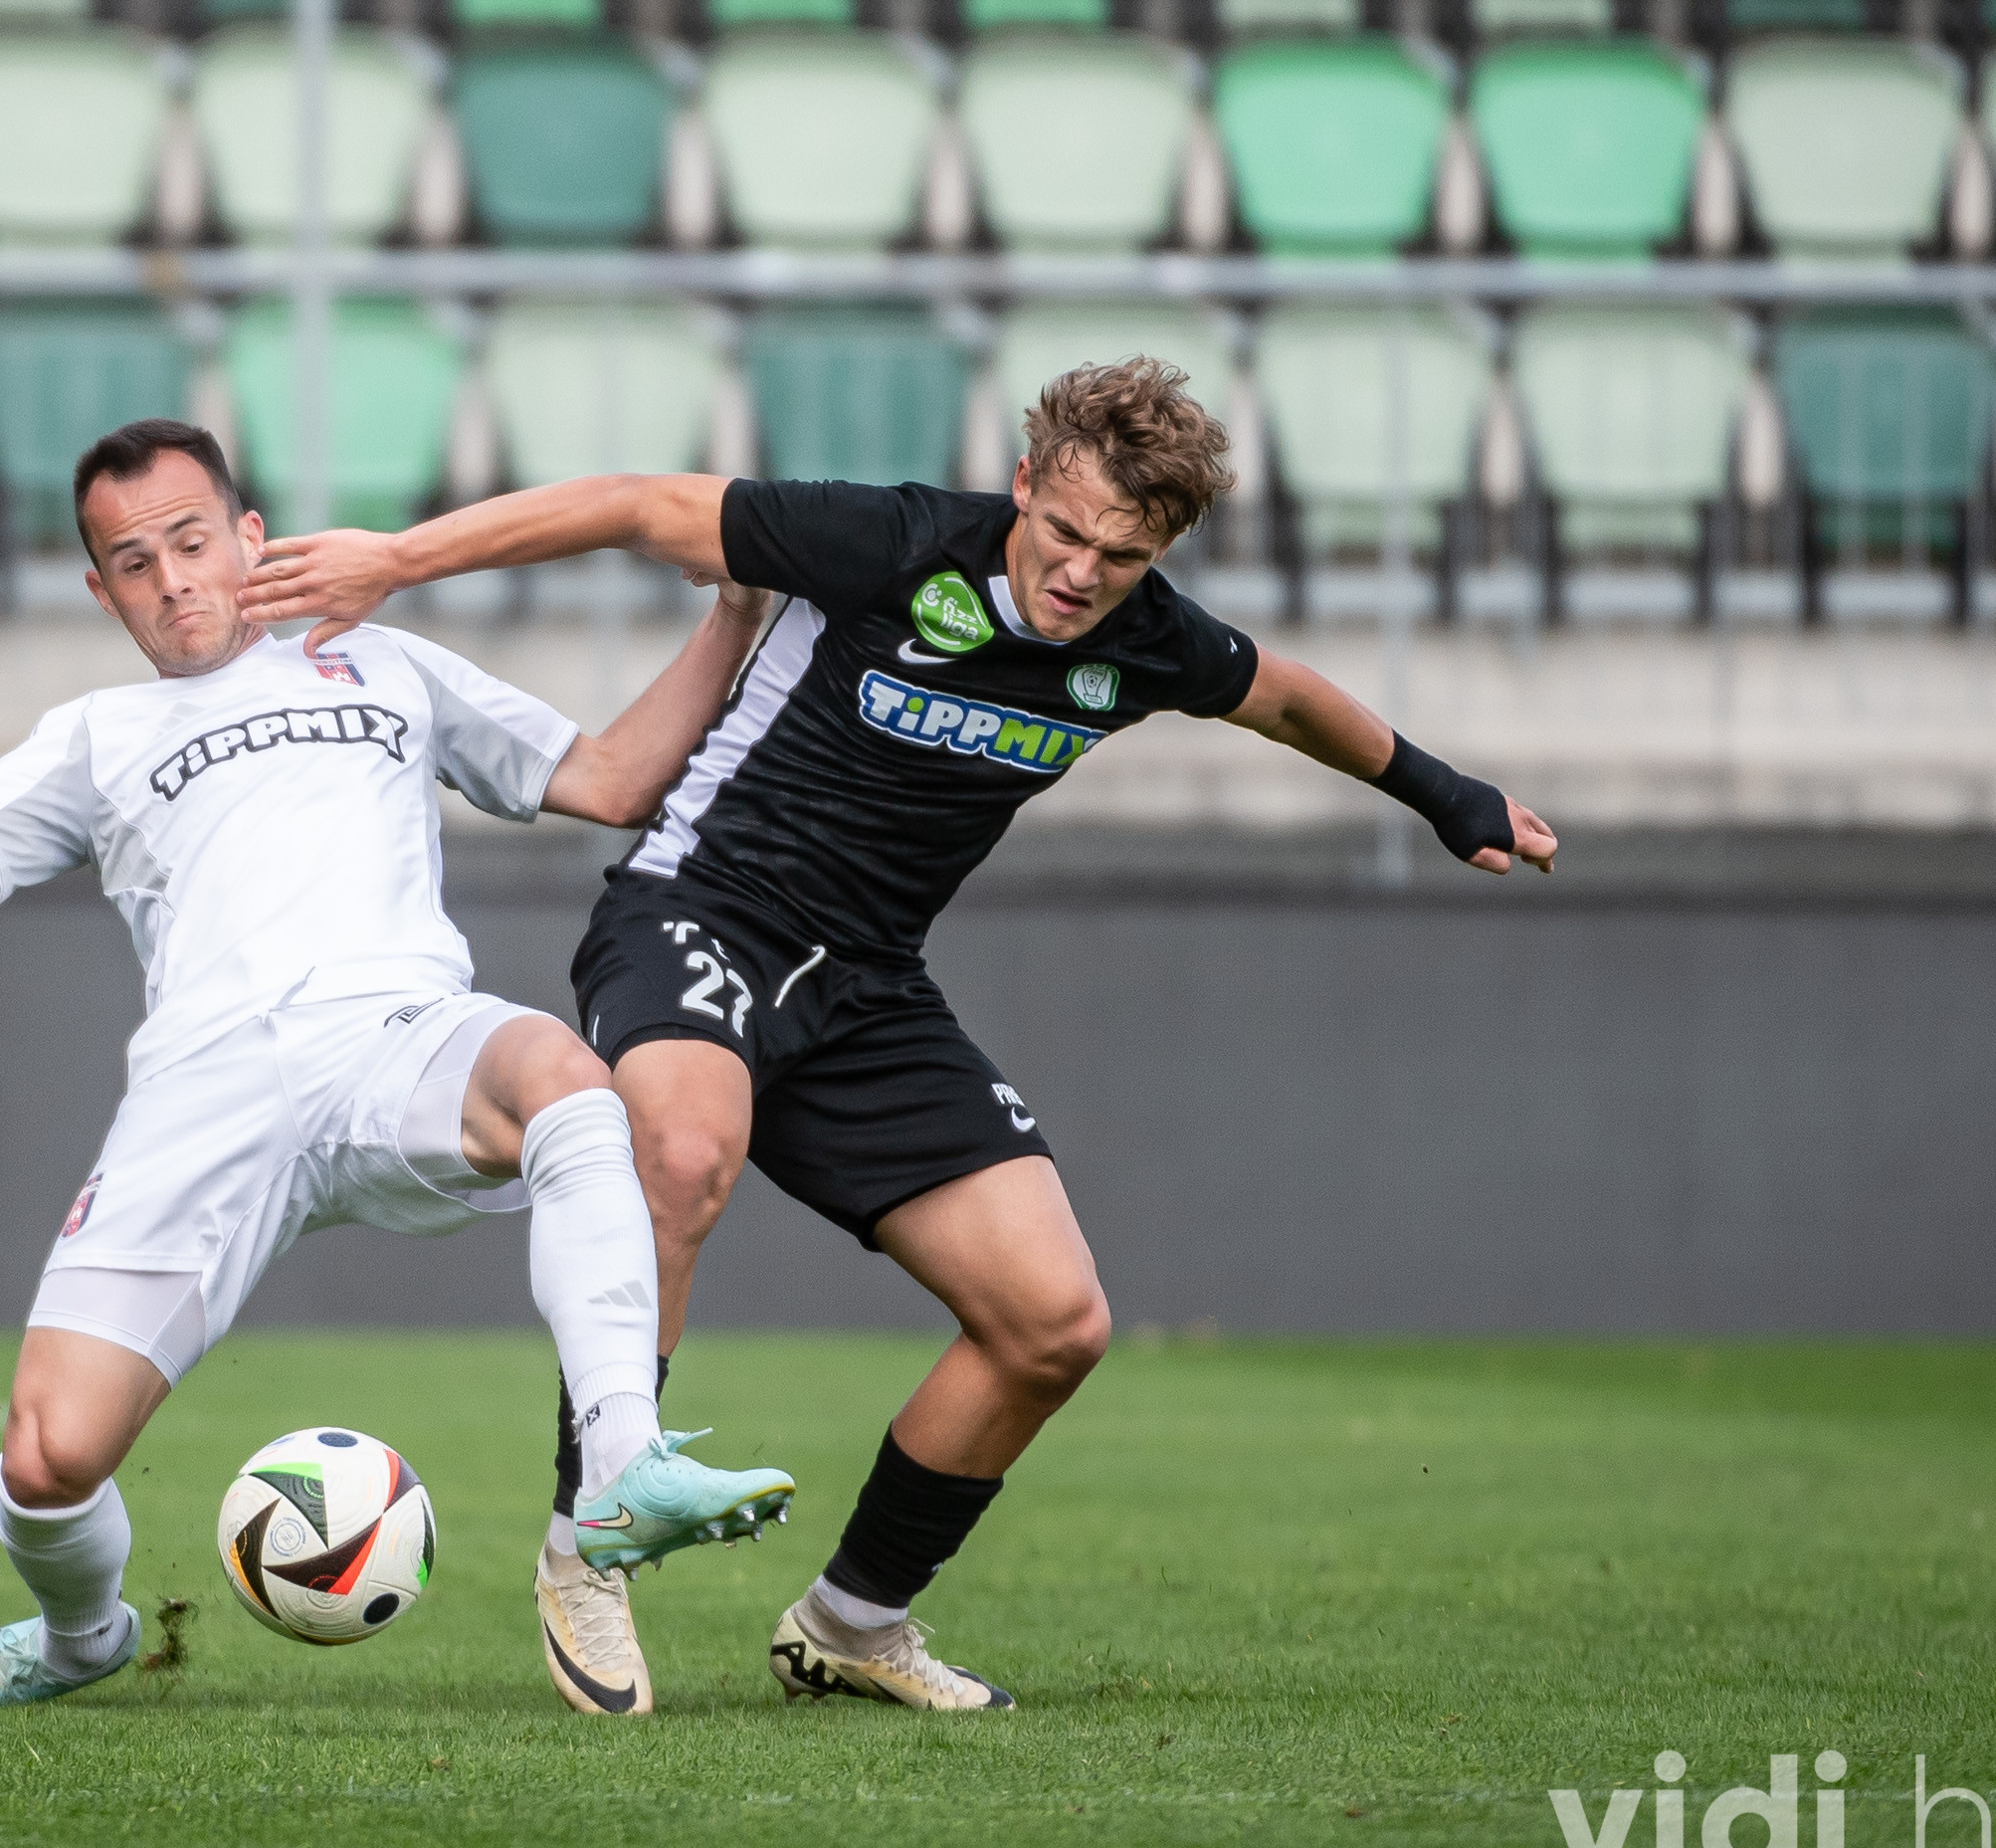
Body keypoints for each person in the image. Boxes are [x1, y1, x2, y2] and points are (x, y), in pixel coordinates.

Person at [240, 357, 1558, 1717]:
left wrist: (1444, 794)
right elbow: (635, 504)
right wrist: (396, 558)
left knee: (1053, 1325)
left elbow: (1283, 695)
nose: (1081, 574)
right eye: (1064, 532)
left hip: (868, 988)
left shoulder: (1150, 641)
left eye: (1121, 557)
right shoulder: (888, 541)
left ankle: (853, 1623)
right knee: (680, 1154)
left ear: (1160, 553)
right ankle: (591, 1545)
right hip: (701, 911)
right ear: (1025, 482)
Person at [0, 419, 794, 1712]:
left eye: (191, 541)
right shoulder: (99, 732)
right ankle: (80, 1640)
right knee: (46, 1459)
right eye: (134, 564)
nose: (172, 580)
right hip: (206, 1092)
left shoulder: (382, 660)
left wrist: (736, 612)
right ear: (101, 592)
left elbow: (614, 776)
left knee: (569, 1081)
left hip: (393, 1033)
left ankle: (620, 1471)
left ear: (250, 537)